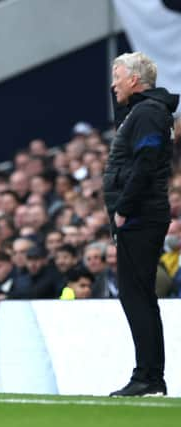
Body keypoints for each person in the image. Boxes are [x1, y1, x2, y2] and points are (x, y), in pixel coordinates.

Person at [103, 52, 179, 397]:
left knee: (138, 298)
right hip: (142, 215)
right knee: (139, 297)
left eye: (117, 76)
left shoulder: (148, 113)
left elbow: (145, 163)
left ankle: (148, 376)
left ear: (134, 79)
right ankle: (149, 376)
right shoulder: (144, 111)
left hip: (140, 215)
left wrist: (123, 208)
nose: (113, 83)